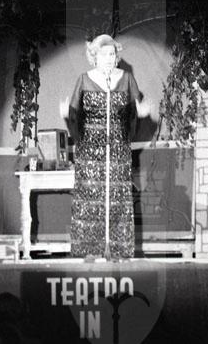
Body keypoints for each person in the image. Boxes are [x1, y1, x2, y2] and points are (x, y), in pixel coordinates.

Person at [62, 34, 151, 259]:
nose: (109, 58)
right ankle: (90, 251)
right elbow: (74, 113)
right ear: (95, 56)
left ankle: (118, 251)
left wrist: (140, 112)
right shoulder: (84, 79)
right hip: (90, 152)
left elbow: (134, 111)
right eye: (104, 54)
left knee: (117, 200)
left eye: (112, 54)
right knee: (91, 200)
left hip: (118, 150)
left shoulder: (126, 78)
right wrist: (67, 114)